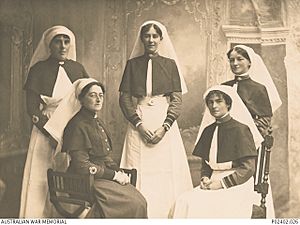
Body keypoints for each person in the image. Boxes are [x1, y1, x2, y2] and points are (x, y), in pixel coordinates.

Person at [118, 20, 193, 218]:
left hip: (164, 122)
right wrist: (138, 124)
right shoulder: (132, 65)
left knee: (166, 170)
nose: (151, 40)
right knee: (139, 168)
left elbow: (176, 100)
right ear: (142, 39)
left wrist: (165, 127)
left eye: (154, 36)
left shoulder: (170, 65)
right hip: (139, 120)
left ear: (161, 39)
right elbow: (125, 98)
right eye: (147, 36)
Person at [45, 78, 147, 218]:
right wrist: (114, 175)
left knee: (139, 200)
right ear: (81, 99)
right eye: (92, 95)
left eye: (101, 95)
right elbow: (82, 166)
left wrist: (118, 171)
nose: (98, 99)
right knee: (133, 203)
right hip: (83, 180)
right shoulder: (77, 125)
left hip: (99, 177)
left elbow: (104, 157)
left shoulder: (97, 122)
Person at [20, 25, 89, 218]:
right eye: (58, 41)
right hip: (45, 131)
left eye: (66, 42)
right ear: (50, 45)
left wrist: (74, 133)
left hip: (72, 130)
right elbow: (32, 108)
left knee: (70, 175)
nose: (63, 46)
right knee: (41, 176)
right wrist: (50, 132)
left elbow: (87, 101)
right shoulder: (38, 70)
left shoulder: (78, 68)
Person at [171, 85, 264, 218]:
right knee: (184, 201)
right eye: (210, 102)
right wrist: (205, 178)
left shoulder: (241, 129)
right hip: (213, 180)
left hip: (237, 183)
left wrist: (221, 184)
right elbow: (206, 164)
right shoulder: (208, 130)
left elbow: (248, 169)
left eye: (219, 101)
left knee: (212, 206)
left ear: (228, 104)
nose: (214, 106)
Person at [222, 44, 282, 217]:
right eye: (231, 60)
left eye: (240, 59)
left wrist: (242, 139)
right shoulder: (224, 86)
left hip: (250, 145)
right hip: (225, 144)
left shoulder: (258, 88)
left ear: (249, 62)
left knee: (246, 187)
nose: (235, 63)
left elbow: (264, 122)